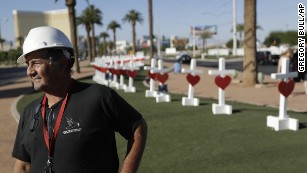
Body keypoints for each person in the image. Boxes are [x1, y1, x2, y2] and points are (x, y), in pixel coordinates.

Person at [12, 26, 147, 173]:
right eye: (28, 64)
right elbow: (23, 165)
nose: (30, 71)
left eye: (36, 63)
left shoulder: (98, 97)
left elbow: (137, 127)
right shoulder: (29, 112)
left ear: (62, 62)